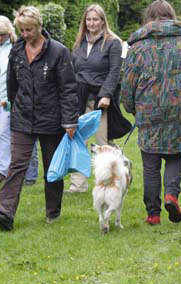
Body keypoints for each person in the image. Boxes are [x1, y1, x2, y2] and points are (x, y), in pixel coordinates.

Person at [0, 6, 78, 231]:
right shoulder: (17, 51)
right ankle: (4, 213)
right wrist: (15, 106)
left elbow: (68, 88)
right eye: (22, 30)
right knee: (16, 165)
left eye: (29, 29)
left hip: (52, 119)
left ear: (39, 26)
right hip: (23, 118)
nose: (26, 34)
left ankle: (53, 212)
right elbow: (12, 85)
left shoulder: (58, 52)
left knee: (52, 168)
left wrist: (69, 120)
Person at [122, 0, 181, 225]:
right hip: (178, 108)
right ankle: (171, 194)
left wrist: (132, 108)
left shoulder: (137, 47)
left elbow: (127, 84)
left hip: (148, 111)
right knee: (175, 156)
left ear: (149, 18)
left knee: (150, 164)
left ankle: (153, 214)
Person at [67, 3, 130, 193]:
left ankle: (111, 179)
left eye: (95, 19)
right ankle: (78, 185)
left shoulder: (113, 42)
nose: (92, 23)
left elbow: (114, 72)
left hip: (100, 99)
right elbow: (73, 69)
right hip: (80, 97)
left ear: (103, 21)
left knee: (102, 142)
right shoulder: (79, 43)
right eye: (89, 19)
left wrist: (106, 95)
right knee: (78, 140)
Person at [0, 15, 39, 186]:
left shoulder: (16, 46)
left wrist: (10, 97)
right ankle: (10, 168)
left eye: (3, 34)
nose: (0, 38)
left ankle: (3, 170)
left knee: (6, 133)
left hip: (10, 96)